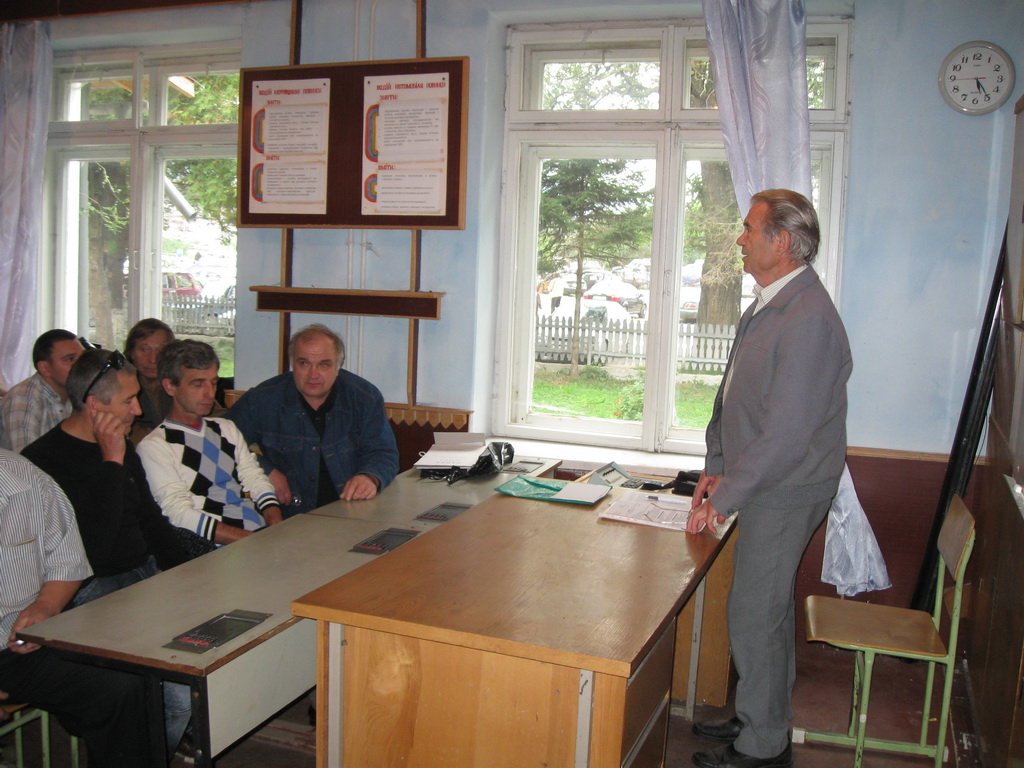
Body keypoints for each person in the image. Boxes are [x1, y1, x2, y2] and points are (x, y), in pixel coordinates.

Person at [686, 189, 852, 768]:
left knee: (756, 612)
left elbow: (785, 435)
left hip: (785, 489)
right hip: (763, 482)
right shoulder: (769, 303)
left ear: (781, 241)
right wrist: (716, 463)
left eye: (749, 228)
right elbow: (731, 395)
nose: (740, 238)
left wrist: (725, 497)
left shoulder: (808, 319)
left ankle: (762, 745)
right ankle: (764, 716)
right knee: (764, 608)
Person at [21, 347, 195, 756]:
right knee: (171, 699)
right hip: (89, 590)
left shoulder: (124, 448)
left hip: (141, 576)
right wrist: (112, 462)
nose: (139, 409)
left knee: (190, 681)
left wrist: (189, 575)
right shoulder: (44, 462)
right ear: (95, 406)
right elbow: (91, 552)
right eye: (128, 400)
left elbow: (149, 520)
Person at [0, 448, 158, 767]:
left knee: (122, 686)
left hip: (18, 641)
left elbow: (67, 561)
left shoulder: (25, 478)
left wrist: (46, 605)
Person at [227, 323, 399, 516]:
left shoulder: (364, 398)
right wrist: (264, 471)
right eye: (304, 363)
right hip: (285, 517)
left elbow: (383, 453)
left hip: (352, 513)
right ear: (292, 364)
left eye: (324, 364)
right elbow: (222, 442)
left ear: (338, 366)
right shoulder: (262, 400)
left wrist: (369, 477)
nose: (313, 374)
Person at [138, 339, 283, 545]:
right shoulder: (155, 446)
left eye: (213, 383)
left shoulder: (226, 428)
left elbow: (254, 478)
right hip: (211, 547)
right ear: (170, 386)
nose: (209, 393)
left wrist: (275, 524)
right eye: (197, 384)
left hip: (256, 535)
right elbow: (179, 514)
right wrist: (254, 541)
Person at [0, 330, 85, 452]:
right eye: (70, 359)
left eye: (83, 357)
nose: (81, 365)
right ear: (45, 368)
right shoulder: (23, 400)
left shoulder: (80, 392)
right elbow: (26, 459)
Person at [124, 318, 175, 445]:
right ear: (131, 353)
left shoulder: (180, 382)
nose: (153, 359)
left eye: (160, 351)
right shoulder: (120, 388)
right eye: (145, 349)